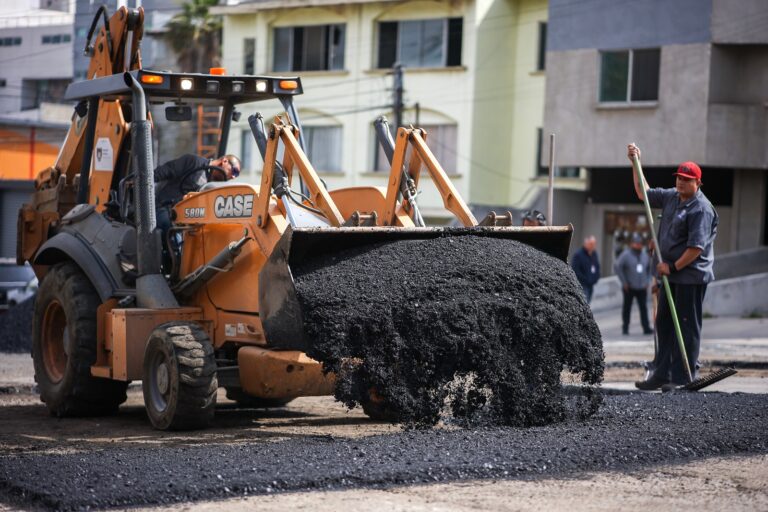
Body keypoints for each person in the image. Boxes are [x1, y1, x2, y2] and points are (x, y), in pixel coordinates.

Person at [628, 143, 718, 391]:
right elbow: (642, 193)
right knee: (665, 322)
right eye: (679, 178)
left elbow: (696, 248)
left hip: (689, 275)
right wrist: (636, 163)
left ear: (697, 183)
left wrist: (672, 267)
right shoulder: (672, 197)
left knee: (686, 325)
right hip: (670, 274)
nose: (680, 182)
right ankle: (662, 373)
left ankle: (682, 378)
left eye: (686, 179)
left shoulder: (701, 209)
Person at [153, 153, 241, 272]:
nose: (234, 177)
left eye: (237, 174)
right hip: (164, 208)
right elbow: (165, 171)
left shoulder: (213, 186)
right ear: (224, 161)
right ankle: (170, 275)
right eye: (234, 171)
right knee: (174, 239)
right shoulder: (193, 162)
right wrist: (140, 182)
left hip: (186, 220)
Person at [614, 232, 653, 335]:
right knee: (627, 308)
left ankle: (646, 328)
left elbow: (649, 268)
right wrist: (624, 282)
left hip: (642, 287)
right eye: (636, 243)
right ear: (632, 244)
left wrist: (647, 281)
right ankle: (625, 328)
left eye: (640, 243)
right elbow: (618, 267)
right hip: (629, 287)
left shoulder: (645, 255)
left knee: (643, 308)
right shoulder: (626, 254)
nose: (638, 245)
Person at [571, 236, 600, 303]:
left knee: (588, 302)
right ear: (586, 244)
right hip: (582, 284)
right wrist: (585, 279)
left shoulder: (594, 254)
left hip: (591, 284)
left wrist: (596, 277)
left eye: (594, 244)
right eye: (591, 244)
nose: (593, 246)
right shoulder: (578, 255)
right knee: (584, 303)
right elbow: (575, 270)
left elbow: (597, 267)